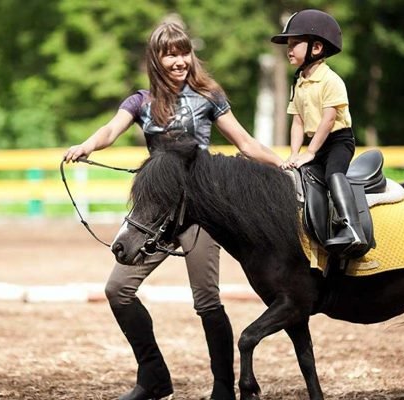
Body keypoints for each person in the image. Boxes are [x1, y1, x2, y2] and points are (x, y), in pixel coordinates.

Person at [63, 21, 283, 400]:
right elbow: (110, 130)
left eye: (184, 52)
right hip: (158, 213)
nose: (179, 60)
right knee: (118, 290)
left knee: (207, 301)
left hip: (200, 211)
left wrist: (283, 165)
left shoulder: (208, 96)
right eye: (170, 54)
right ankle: (153, 379)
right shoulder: (141, 102)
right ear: (157, 58)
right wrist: (87, 145)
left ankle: (222, 388)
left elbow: (245, 142)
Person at [271, 9, 367, 255]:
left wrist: (310, 151)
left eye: (295, 44)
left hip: (337, 142)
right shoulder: (300, 82)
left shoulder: (331, 81)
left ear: (316, 48)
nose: (289, 49)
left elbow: (328, 119)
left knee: (334, 175)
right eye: (288, 45)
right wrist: (294, 154)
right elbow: (298, 122)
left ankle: (352, 228)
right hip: (316, 144)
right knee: (300, 179)